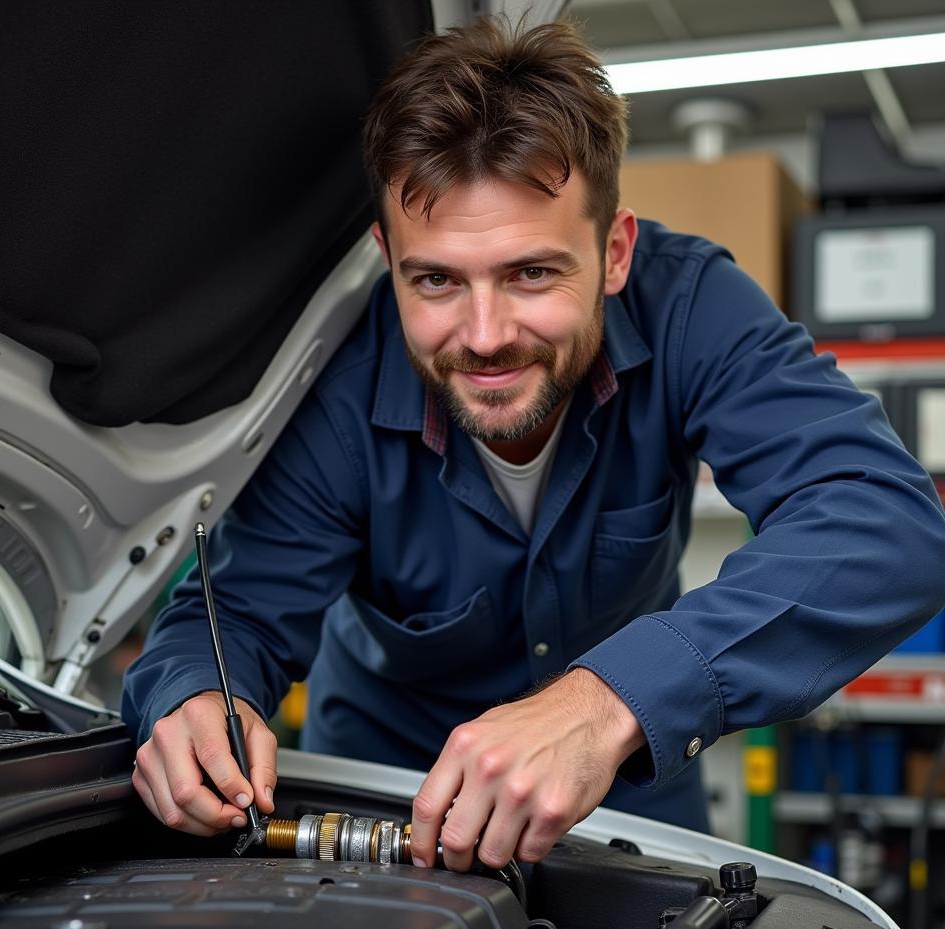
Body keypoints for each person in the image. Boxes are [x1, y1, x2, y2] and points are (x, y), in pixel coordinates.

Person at [122, 18, 945, 872]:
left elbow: (884, 521)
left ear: (615, 251)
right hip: (386, 804)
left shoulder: (691, 305)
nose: (483, 336)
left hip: (628, 800)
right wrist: (193, 699)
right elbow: (236, 616)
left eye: (531, 273)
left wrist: (605, 701)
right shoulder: (336, 383)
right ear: (387, 258)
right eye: (435, 278)